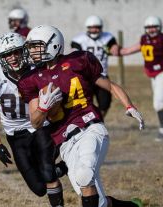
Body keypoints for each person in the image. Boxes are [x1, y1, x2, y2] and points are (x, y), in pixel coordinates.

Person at [19, 25, 144, 207]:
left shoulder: (79, 61)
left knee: (84, 175)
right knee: (99, 202)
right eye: (30, 47)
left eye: (36, 46)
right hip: (64, 141)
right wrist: (44, 108)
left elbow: (110, 86)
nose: (32, 51)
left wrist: (129, 106)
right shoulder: (32, 79)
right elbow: (35, 122)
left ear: (53, 45)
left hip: (90, 128)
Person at [0, 32, 66, 206]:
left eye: (16, 52)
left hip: (41, 126)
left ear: (24, 51)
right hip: (15, 134)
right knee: (39, 188)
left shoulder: (39, 69)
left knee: (48, 172)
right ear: (1, 58)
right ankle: (65, 167)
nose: (12, 58)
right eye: (7, 55)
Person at [120, 16, 163, 141]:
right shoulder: (144, 39)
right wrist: (110, 50)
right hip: (155, 76)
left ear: (159, 27)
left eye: (154, 27)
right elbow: (127, 51)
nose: (152, 29)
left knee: (158, 103)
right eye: (149, 27)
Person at [71, 15, 120, 117]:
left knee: (105, 104)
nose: (94, 30)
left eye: (97, 27)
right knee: (85, 104)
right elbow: (74, 55)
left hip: (102, 74)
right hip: (85, 76)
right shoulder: (79, 40)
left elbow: (113, 47)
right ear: (88, 28)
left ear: (101, 27)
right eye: (92, 27)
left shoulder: (108, 38)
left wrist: (115, 47)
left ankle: (99, 121)